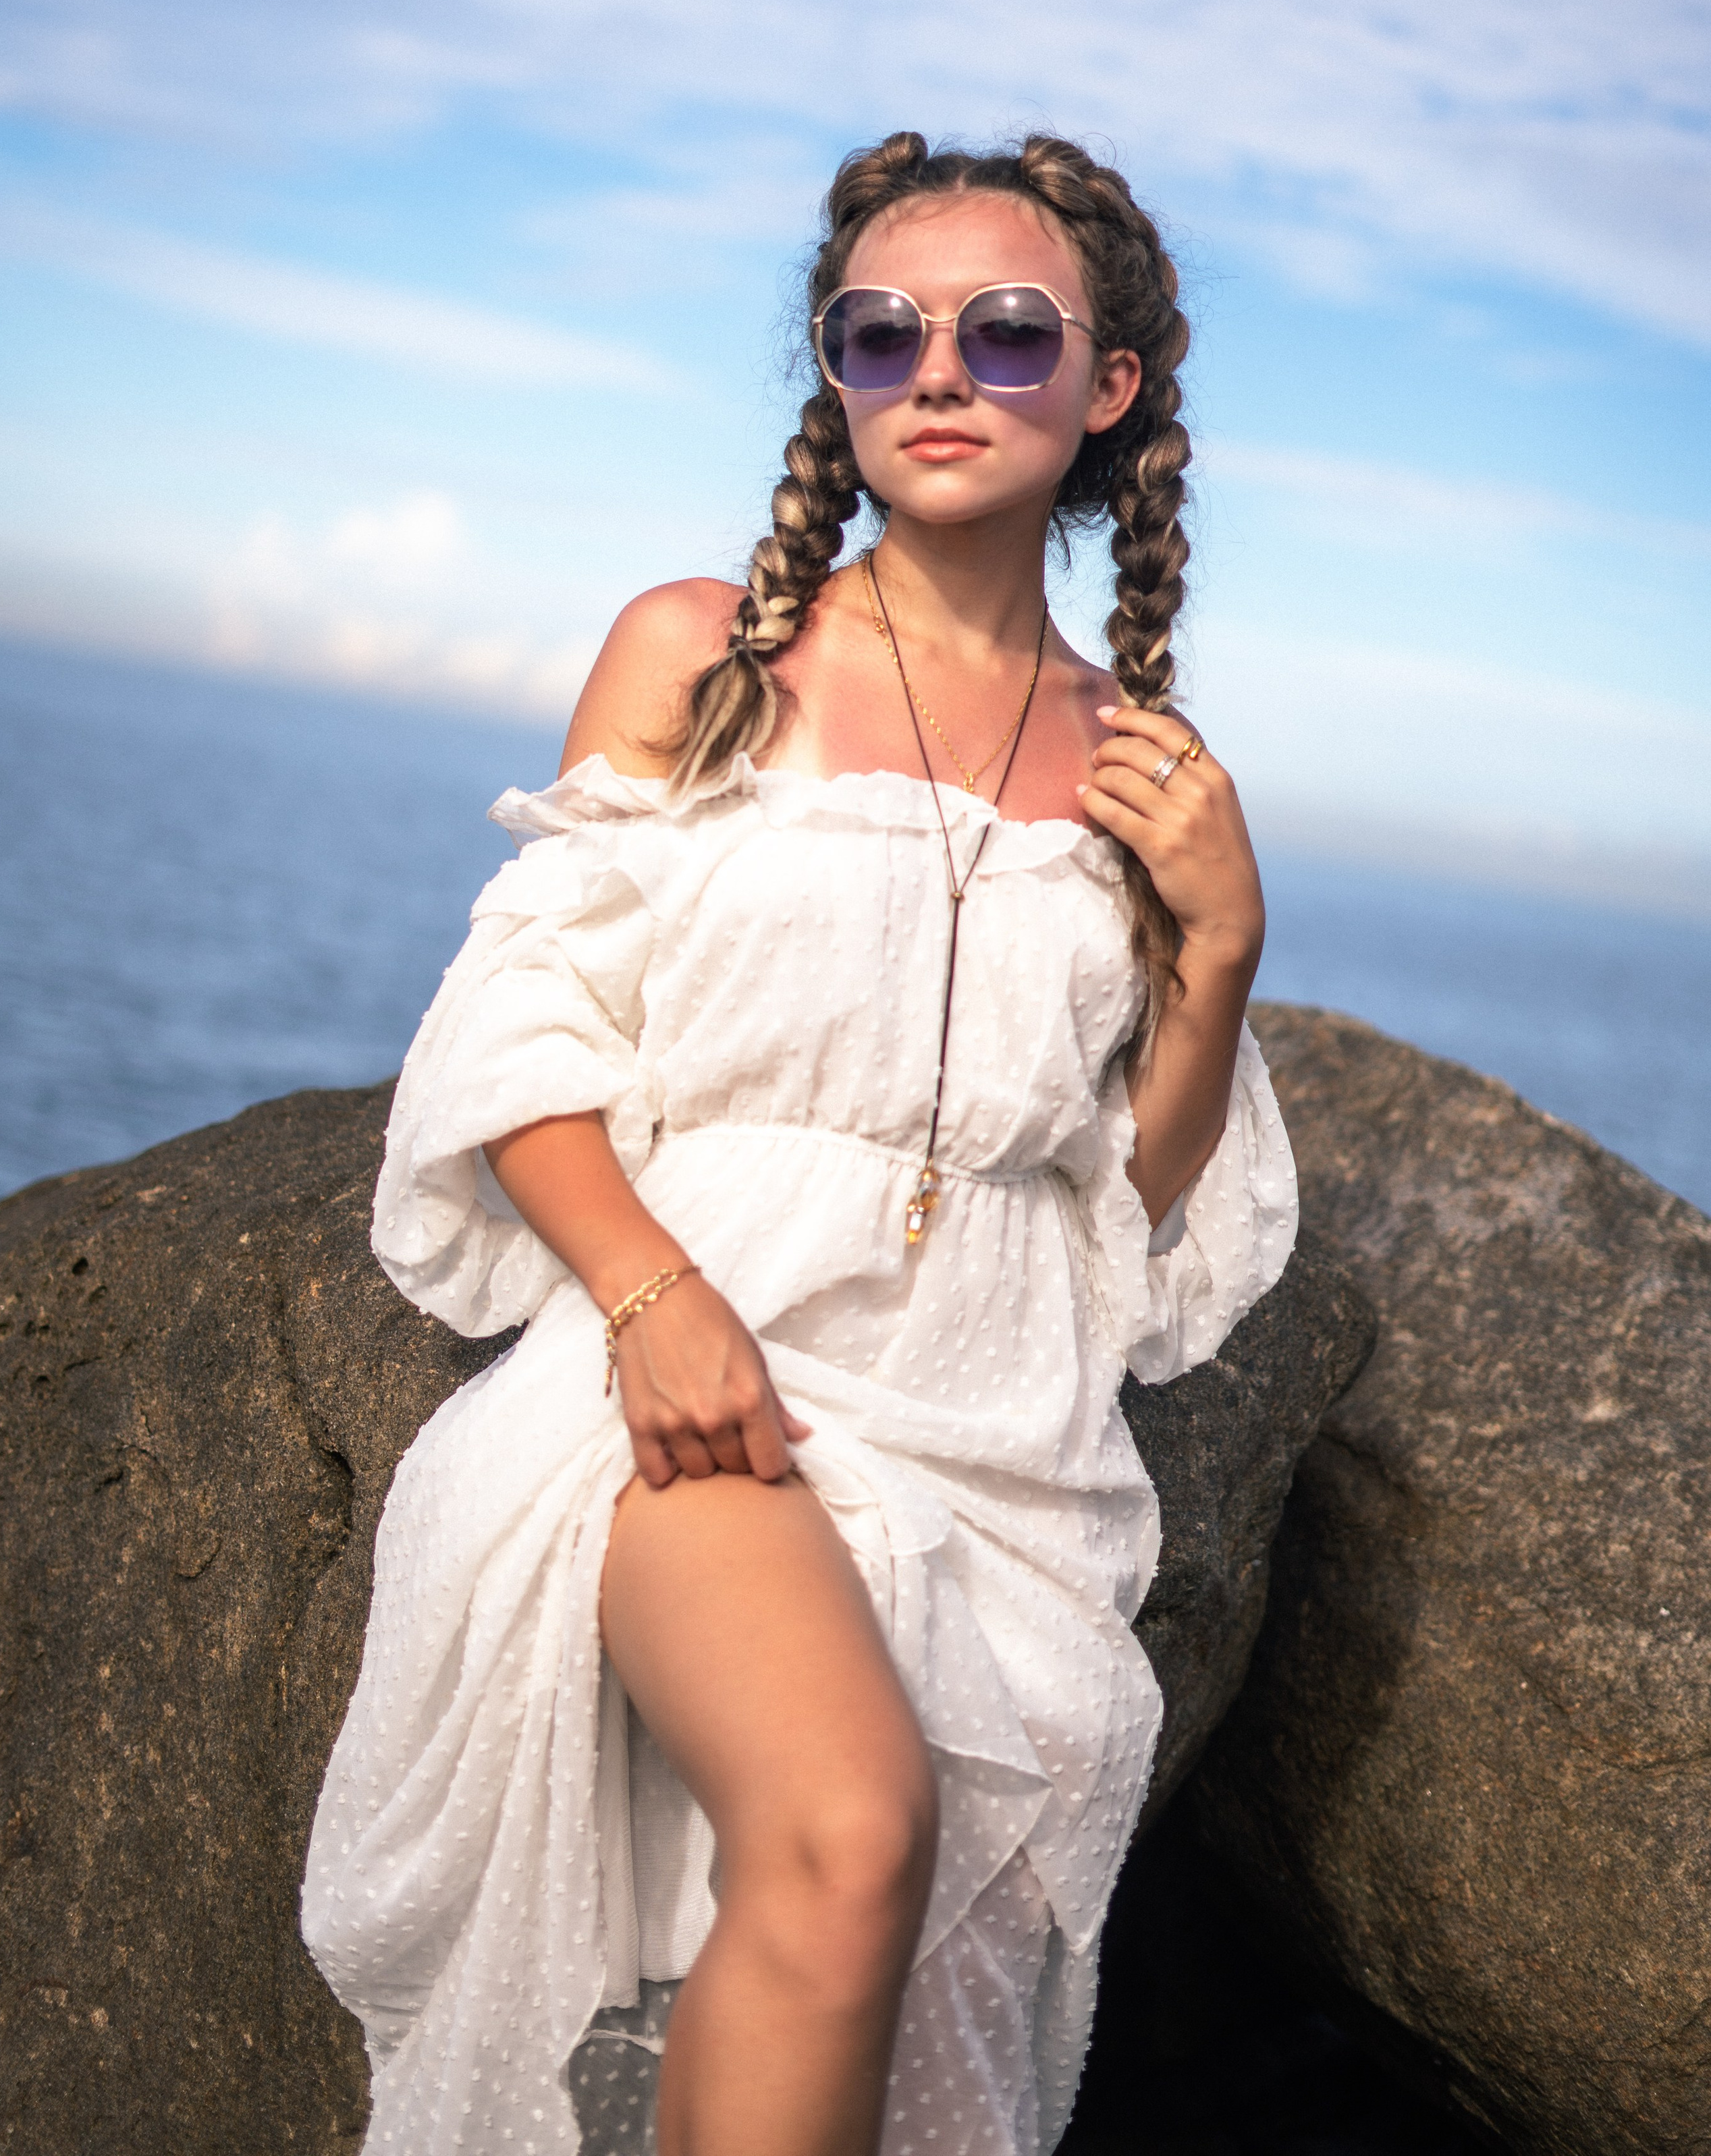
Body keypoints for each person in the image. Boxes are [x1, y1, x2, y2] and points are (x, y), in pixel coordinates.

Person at [302, 130, 1299, 2156]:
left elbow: (1135, 1209)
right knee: (851, 1829)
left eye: (1008, 334)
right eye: (883, 332)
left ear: (1107, 391)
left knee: (899, 1911)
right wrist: (652, 1299)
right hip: (711, 1385)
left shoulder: (1142, 763)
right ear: (836, 381)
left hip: (1000, 1437)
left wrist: (1224, 942)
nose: (940, 371)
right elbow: (521, 1032)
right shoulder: (706, 650)